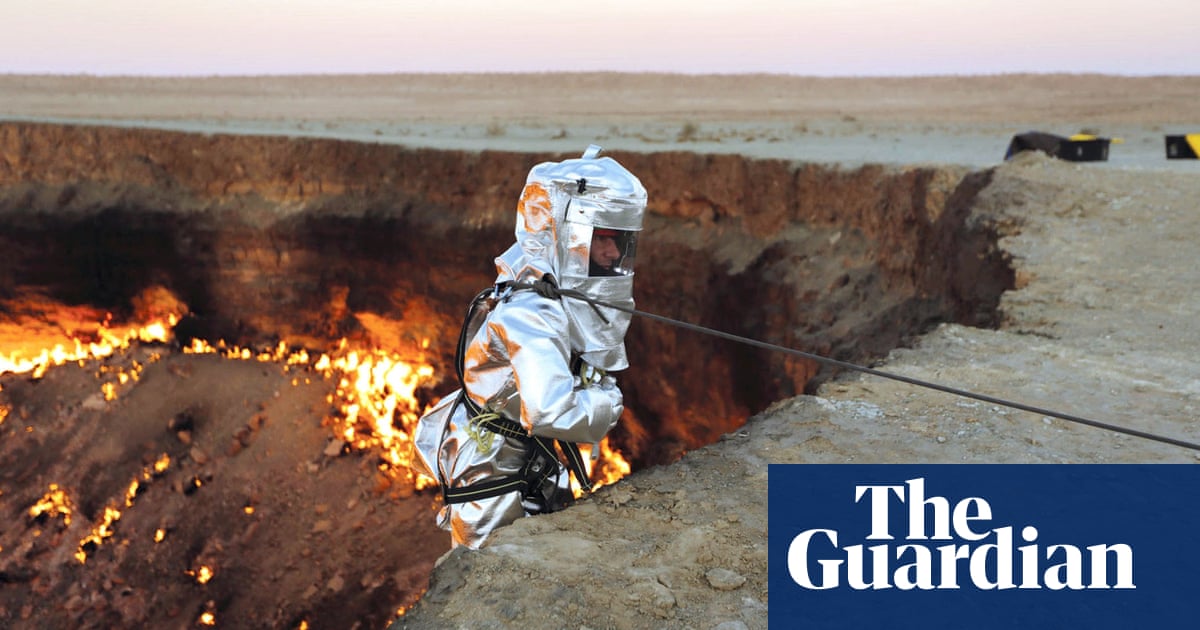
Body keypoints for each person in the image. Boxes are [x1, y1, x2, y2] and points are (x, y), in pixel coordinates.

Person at [413, 145, 646, 549]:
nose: (613, 253)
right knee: (488, 569)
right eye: (603, 240)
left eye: (621, 242)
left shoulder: (551, 289)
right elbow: (551, 410)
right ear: (567, 236)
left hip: (526, 457)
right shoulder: (531, 314)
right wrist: (608, 403)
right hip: (490, 469)